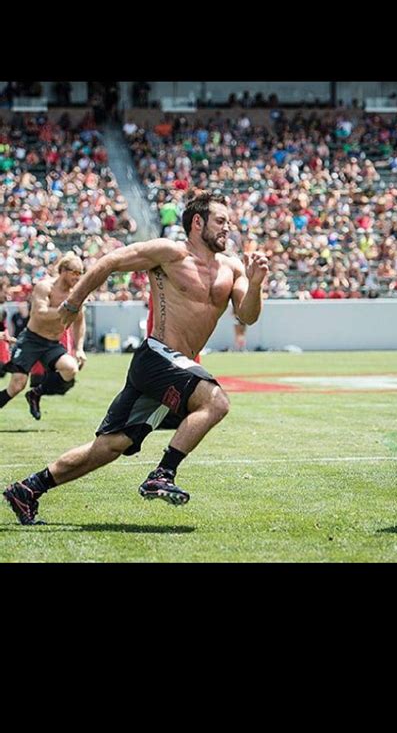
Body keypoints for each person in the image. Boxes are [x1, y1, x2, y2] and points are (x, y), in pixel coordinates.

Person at [3, 192, 268, 525]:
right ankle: (163, 473)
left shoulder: (232, 267)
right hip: (157, 356)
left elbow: (248, 314)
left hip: (175, 367)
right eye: (220, 221)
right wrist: (72, 303)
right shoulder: (170, 252)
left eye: (229, 222)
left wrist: (256, 284)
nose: (227, 228)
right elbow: (109, 262)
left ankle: (27, 489)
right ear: (197, 222)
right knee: (216, 402)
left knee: (110, 446)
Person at [0, 252, 87, 422]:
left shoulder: (76, 294)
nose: (77, 277)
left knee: (70, 369)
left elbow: (79, 320)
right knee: (17, 385)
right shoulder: (45, 287)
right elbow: (41, 313)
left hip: (53, 343)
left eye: (80, 273)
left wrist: (80, 348)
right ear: (63, 270)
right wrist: (67, 309)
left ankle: (35, 393)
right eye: (74, 272)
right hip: (31, 340)